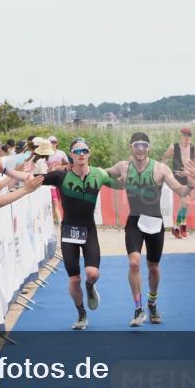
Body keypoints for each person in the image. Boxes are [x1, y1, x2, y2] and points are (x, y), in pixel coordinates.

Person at [106, 132, 190, 327]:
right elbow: (102, 174)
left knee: (153, 267)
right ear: (131, 147)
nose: (141, 149)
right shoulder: (123, 167)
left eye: (144, 145)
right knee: (134, 263)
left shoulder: (160, 169)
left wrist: (192, 182)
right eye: (137, 145)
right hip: (134, 221)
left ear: (149, 148)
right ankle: (138, 308)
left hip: (154, 222)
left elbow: (179, 190)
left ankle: (152, 302)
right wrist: (80, 167)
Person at [37, 137, 122, 330]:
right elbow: (34, 177)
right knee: (74, 279)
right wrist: (4, 170)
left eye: (84, 150)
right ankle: (81, 314)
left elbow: (122, 184)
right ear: (71, 156)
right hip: (69, 232)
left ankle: (90, 287)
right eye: (77, 151)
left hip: (89, 230)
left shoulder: (99, 174)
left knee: (92, 273)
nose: (81, 154)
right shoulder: (61, 176)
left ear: (89, 153)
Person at [161, 128, 195, 238]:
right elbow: (164, 158)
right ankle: (178, 227)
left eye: (189, 135)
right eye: (185, 135)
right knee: (186, 202)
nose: (187, 138)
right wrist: (166, 173)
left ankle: (180, 227)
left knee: (186, 204)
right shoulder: (174, 147)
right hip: (178, 177)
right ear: (181, 135)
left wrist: (194, 170)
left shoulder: (194, 148)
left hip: (189, 177)